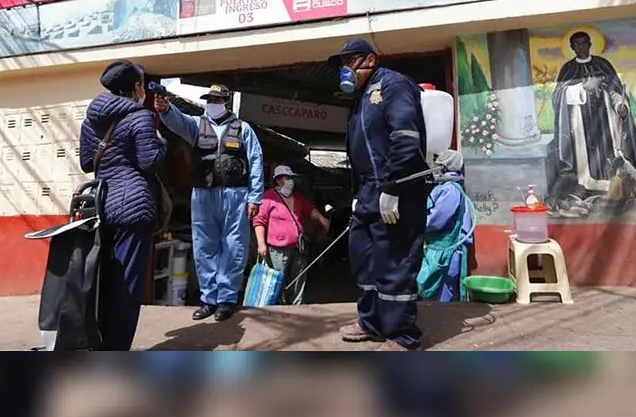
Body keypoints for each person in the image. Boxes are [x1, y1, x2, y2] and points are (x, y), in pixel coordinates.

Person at [328, 38, 430, 351]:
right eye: (342, 64)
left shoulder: (393, 85)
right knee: (365, 260)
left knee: (395, 262)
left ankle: (402, 334)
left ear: (370, 59)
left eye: (350, 61)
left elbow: (405, 137)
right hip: (369, 190)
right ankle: (371, 323)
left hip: (398, 187)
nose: (345, 69)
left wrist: (392, 185)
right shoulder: (361, 97)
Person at [154, 84, 264, 322]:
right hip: (203, 194)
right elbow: (177, 120)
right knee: (204, 246)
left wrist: (255, 196)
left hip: (235, 194)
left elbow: (255, 161)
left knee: (234, 247)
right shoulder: (196, 125)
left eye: (217, 99)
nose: (212, 103)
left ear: (226, 102)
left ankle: (226, 299)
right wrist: (165, 109)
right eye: (209, 99)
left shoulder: (243, 129)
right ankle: (208, 299)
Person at [79, 60, 168, 351]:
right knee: (127, 286)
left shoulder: (92, 120)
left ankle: (98, 342)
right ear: (136, 87)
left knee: (103, 280)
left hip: (101, 206)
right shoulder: (141, 117)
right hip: (132, 208)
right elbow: (150, 162)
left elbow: (85, 163)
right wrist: (160, 142)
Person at [550, 31, 636, 202]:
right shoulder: (568, 69)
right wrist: (583, 88)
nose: (581, 47)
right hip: (581, 123)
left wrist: (621, 106)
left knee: (609, 151)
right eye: (577, 44)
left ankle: (614, 186)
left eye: (584, 43)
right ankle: (588, 186)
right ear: (572, 47)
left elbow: (615, 90)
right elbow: (558, 96)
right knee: (586, 156)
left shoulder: (603, 64)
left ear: (590, 44)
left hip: (605, 120)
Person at [252, 165, 330, 305]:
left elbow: (310, 210)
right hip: (277, 250)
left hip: (298, 247)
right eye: (286, 178)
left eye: (291, 178)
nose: (290, 181)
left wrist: (322, 219)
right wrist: (261, 244)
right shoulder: (269, 197)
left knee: (298, 280)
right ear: (278, 180)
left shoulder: (297, 197)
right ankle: (280, 309)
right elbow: (259, 220)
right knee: (278, 282)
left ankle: (297, 307)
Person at [416, 150, 474, 303]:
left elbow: (436, 220)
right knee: (432, 291)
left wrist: (414, 223)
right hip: (438, 248)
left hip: (446, 251)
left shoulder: (450, 190)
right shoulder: (445, 187)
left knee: (442, 294)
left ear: (444, 167)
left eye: (438, 166)